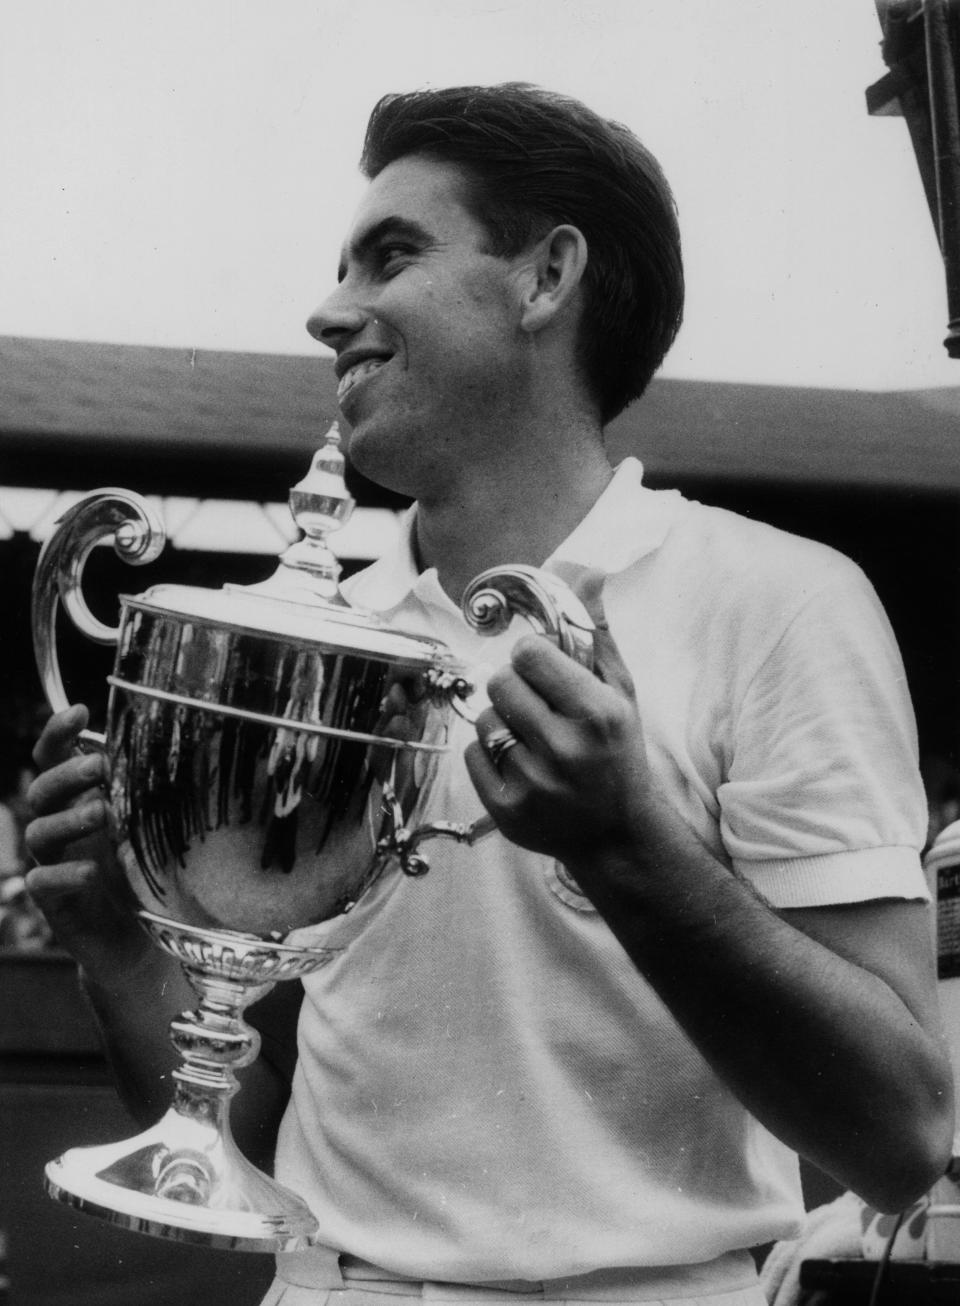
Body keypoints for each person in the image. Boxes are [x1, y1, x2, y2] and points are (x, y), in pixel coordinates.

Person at [25, 84, 954, 1306]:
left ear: (546, 277)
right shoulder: (317, 630)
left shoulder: (780, 603)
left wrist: (632, 850)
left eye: (391, 256)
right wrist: (113, 952)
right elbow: (224, 1149)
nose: (328, 312)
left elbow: (901, 1136)